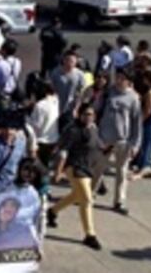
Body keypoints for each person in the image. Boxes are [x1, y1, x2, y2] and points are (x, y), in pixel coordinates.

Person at [48, 103, 103, 251]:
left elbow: (98, 145)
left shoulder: (93, 128)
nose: (88, 117)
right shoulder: (73, 130)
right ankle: (90, 235)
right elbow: (63, 152)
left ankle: (52, 212)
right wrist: (58, 171)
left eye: (91, 114)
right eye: (85, 114)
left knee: (76, 195)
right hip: (74, 167)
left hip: (88, 167)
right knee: (87, 199)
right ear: (79, 114)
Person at [93, 69, 141, 215]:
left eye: (122, 78)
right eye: (117, 77)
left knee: (121, 171)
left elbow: (136, 123)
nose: (119, 81)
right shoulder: (108, 93)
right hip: (105, 139)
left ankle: (119, 201)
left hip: (123, 141)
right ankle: (89, 194)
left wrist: (135, 144)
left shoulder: (133, 98)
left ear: (128, 81)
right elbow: (95, 111)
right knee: (98, 168)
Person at [132, 70, 151, 180]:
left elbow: (148, 110)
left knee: (145, 146)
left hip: (150, 123)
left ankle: (142, 169)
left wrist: (141, 121)